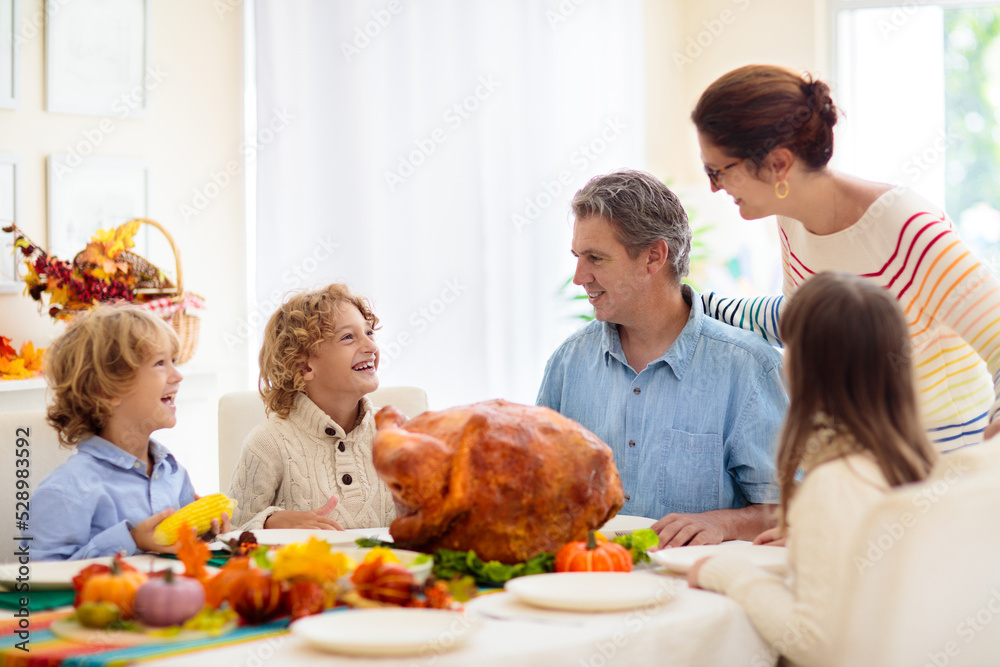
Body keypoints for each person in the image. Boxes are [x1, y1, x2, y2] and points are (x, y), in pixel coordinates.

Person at [692, 64, 1000, 450]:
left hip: (940, 471)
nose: (714, 186)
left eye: (718, 170)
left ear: (779, 164)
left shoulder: (904, 227)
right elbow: (805, 322)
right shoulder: (792, 220)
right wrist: (699, 306)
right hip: (869, 469)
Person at [688, 272, 938, 667]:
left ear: (806, 367)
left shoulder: (834, 482)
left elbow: (815, 642)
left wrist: (732, 574)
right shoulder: (916, 466)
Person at [536, 169, 788, 548]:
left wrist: (723, 524)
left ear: (654, 256)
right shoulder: (567, 364)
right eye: (577, 257)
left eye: (595, 258)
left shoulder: (748, 367)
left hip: (697, 592)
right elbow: (539, 490)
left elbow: (789, 510)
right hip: (587, 582)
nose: (579, 276)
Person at [28, 305, 228, 561]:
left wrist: (203, 536)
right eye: (159, 363)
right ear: (107, 391)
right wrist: (131, 541)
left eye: (173, 362)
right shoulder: (67, 490)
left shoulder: (174, 474)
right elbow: (35, 579)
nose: (177, 375)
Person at [229, 284, 395, 531]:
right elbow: (229, 533)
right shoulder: (267, 443)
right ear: (305, 367)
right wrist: (269, 523)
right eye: (348, 337)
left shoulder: (394, 431)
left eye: (369, 333)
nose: (371, 347)